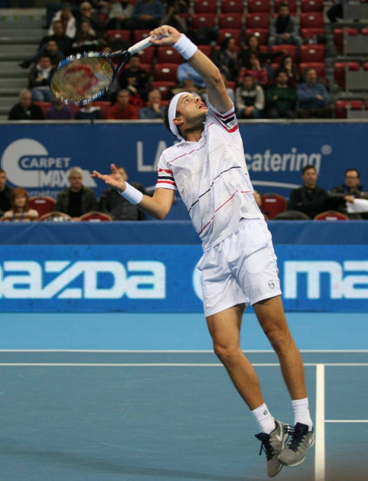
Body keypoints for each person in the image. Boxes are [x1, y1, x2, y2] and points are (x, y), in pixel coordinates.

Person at [92, 25, 315, 478]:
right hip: (213, 251)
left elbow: (215, 78)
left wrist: (179, 42)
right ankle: (270, 429)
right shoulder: (169, 158)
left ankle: (304, 424)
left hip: (249, 235)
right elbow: (160, 209)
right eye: (187, 100)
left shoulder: (223, 126)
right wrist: (127, 189)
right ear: (176, 120)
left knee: (275, 330)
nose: (196, 97)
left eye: (197, 96)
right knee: (224, 347)